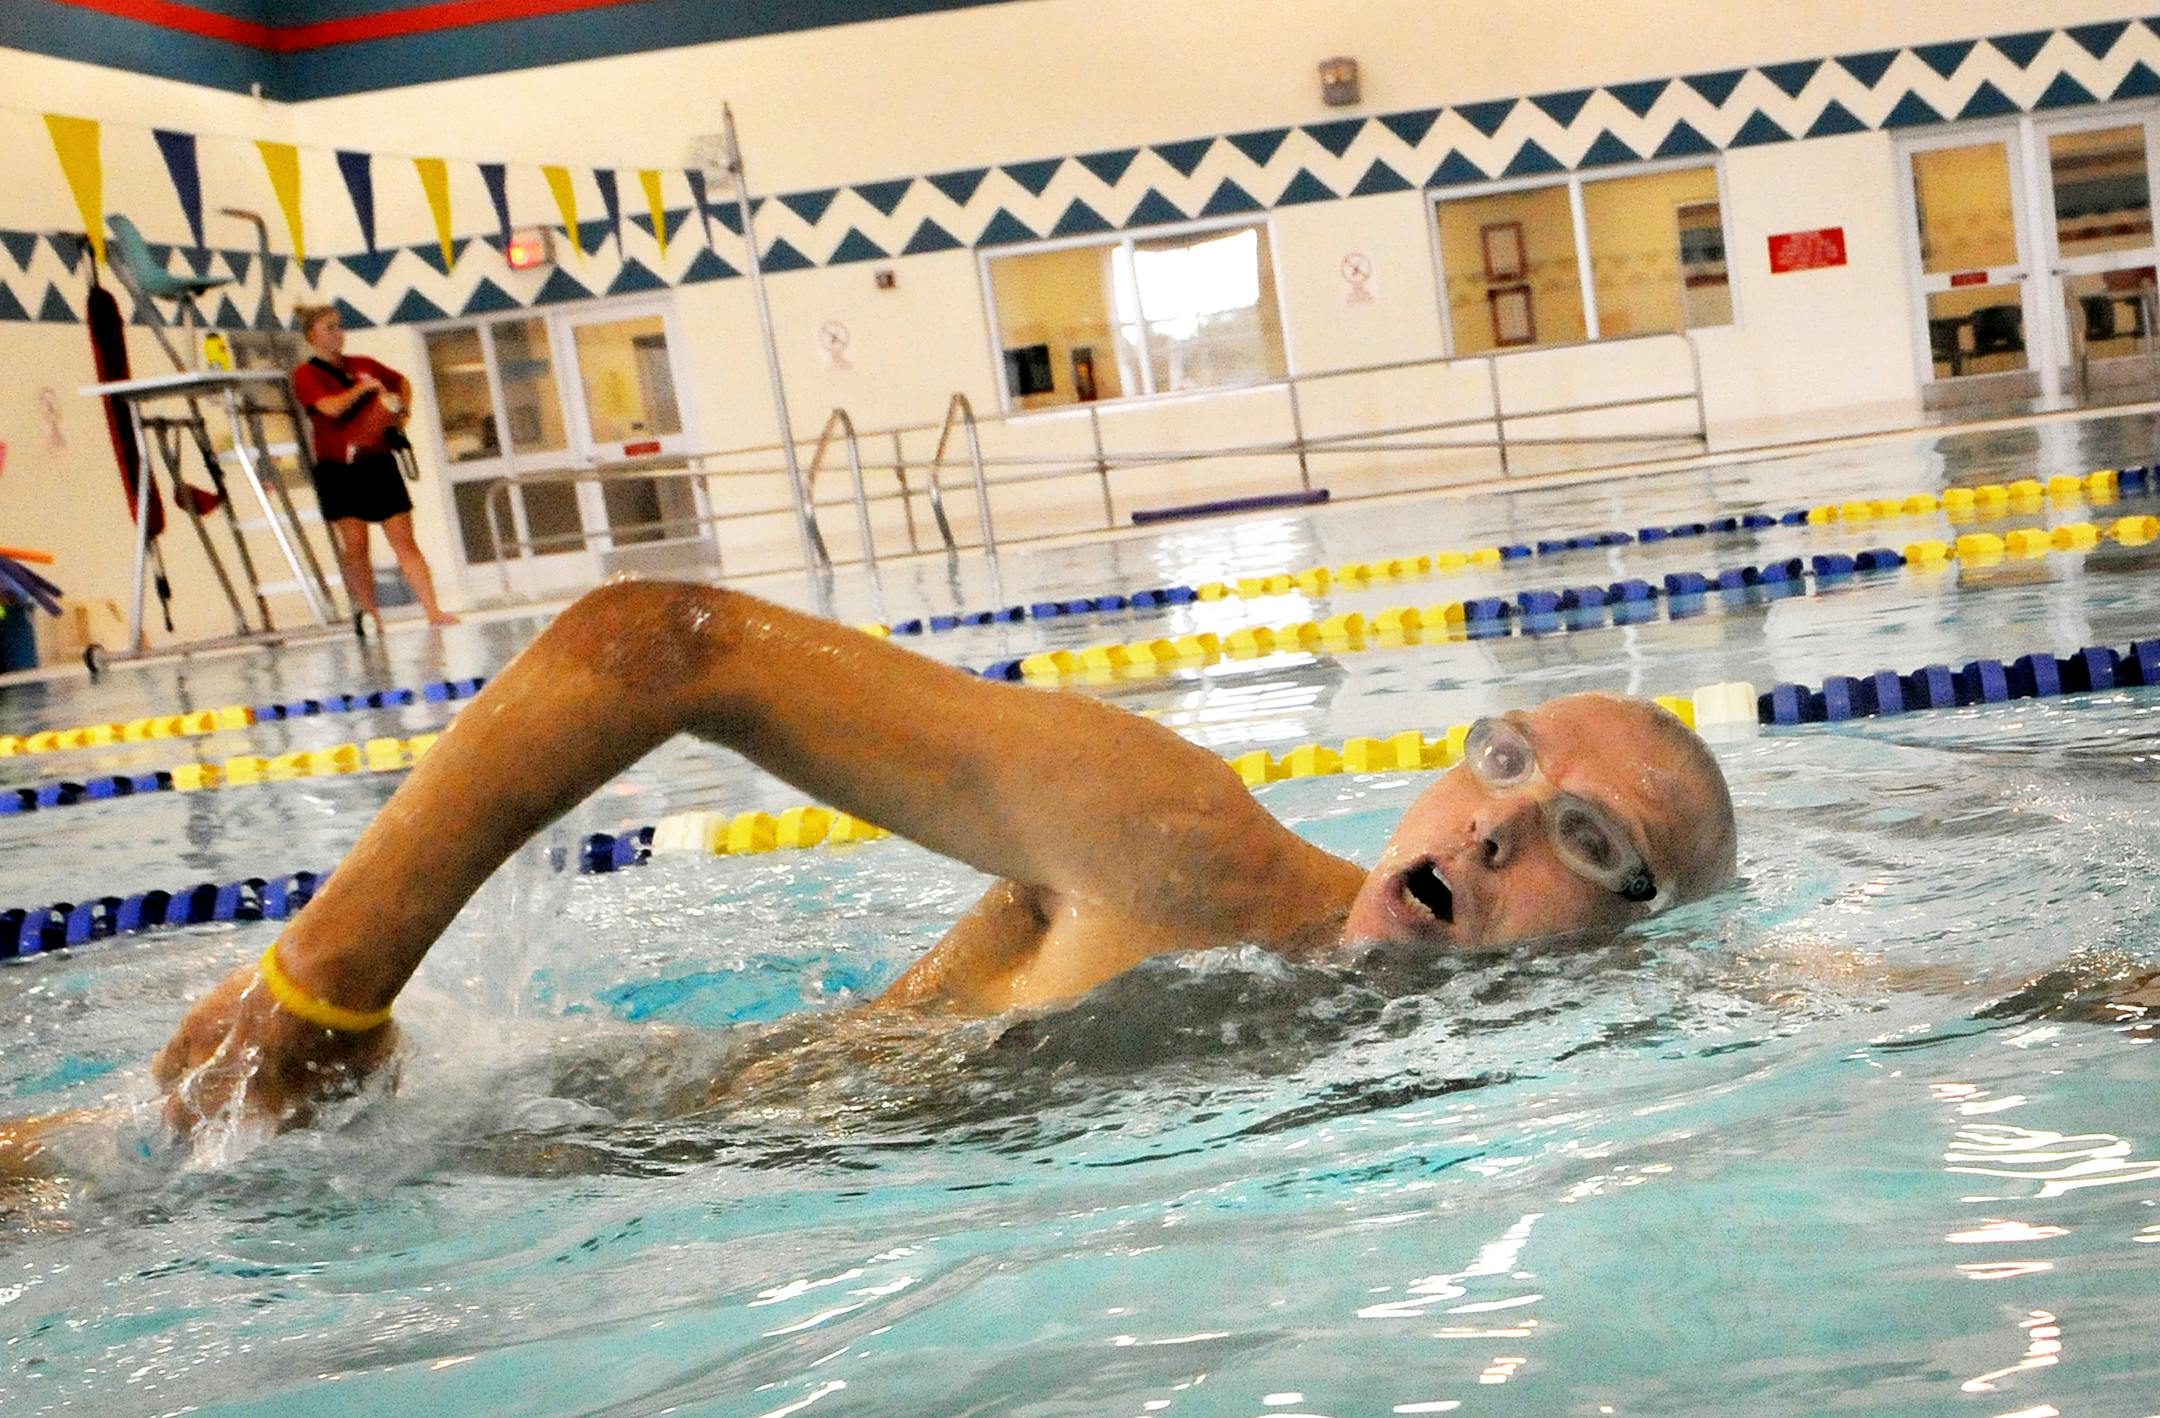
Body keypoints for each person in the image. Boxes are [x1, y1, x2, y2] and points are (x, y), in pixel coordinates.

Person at [0, 579, 1738, 1173]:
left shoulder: (1552, 1090)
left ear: (1631, 949)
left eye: (1592, 845)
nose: (1500, 832)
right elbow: (659, 643)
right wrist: (313, 1005)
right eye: (1505, 762)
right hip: (460, 1145)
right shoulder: (1170, 838)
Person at [292, 304, 459, 635]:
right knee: (356, 547)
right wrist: (364, 389)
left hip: (378, 461)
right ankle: (370, 615)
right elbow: (330, 407)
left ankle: (433, 610)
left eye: (339, 326)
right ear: (312, 335)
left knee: (404, 540)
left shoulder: (363, 365)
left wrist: (402, 412)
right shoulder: (307, 375)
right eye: (329, 328)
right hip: (339, 467)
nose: (338, 333)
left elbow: (401, 382)